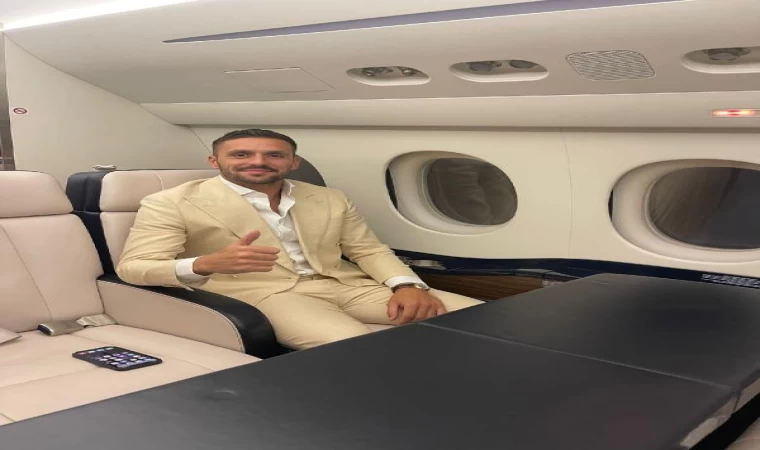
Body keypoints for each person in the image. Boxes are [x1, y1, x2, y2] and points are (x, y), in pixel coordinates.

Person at [117, 129, 482, 349]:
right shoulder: (170, 202)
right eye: (241, 154)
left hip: (346, 285)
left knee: (481, 319)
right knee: (358, 348)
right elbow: (133, 268)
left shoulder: (328, 197)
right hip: (267, 295)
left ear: (293, 162)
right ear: (214, 161)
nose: (258, 161)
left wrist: (407, 286)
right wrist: (203, 264)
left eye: (274, 155)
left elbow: (367, 249)